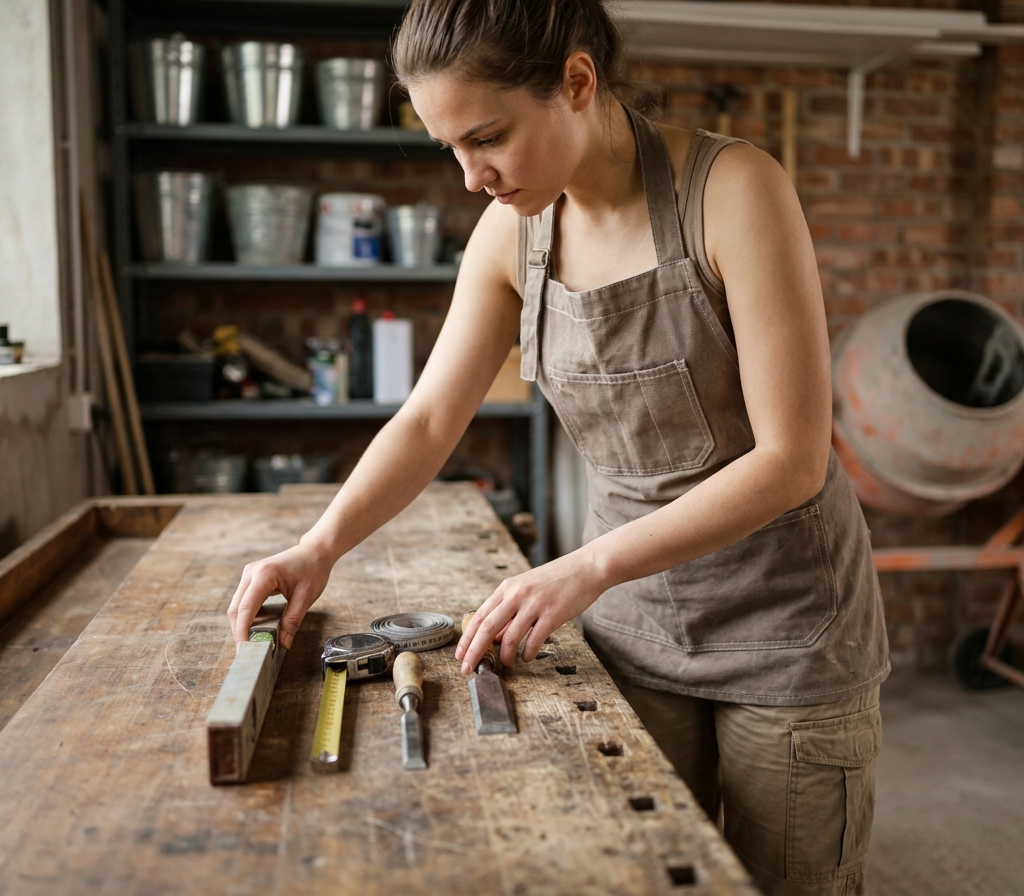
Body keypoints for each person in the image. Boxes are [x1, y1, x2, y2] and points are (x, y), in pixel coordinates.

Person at [227, 1, 889, 892]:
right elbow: (428, 420)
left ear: (578, 83)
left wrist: (583, 569)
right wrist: (320, 545)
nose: (472, 177)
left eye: (488, 136)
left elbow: (790, 461)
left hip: (788, 633)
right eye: (451, 148)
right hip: (635, 626)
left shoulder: (734, 192)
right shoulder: (513, 232)